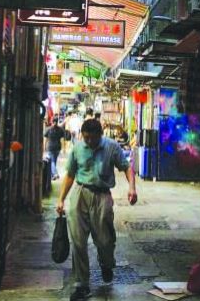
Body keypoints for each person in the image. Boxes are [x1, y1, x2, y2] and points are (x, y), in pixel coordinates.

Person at [56, 118, 138, 301]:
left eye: (93, 139)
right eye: (86, 138)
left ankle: (106, 263)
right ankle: (81, 285)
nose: (90, 142)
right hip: (80, 194)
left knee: (105, 241)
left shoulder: (111, 147)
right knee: (78, 241)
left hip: (102, 196)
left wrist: (132, 188)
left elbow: (126, 168)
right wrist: (61, 199)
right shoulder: (77, 148)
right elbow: (69, 174)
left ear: (100, 135)